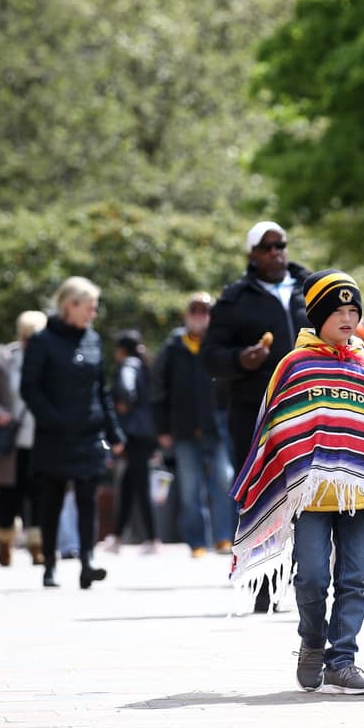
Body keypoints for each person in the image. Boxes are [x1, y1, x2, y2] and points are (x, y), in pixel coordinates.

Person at [230, 270, 364, 693]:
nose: (347, 319)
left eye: (353, 311)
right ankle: (312, 641)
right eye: (337, 311)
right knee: (311, 577)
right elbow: (275, 428)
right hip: (310, 497)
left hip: (362, 493)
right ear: (317, 316)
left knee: (353, 580)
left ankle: (342, 660)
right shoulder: (294, 365)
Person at [203, 220, 313, 611]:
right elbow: (211, 357)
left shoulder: (310, 288)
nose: (275, 252)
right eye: (266, 247)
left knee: (305, 492)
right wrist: (239, 359)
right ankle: (263, 580)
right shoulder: (234, 299)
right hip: (254, 410)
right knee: (260, 495)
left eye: (280, 244)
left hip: (306, 405)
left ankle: (303, 576)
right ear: (252, 253)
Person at [20, 277, 125, 589]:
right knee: (51, 500)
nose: (94, 313)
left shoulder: (93, 339)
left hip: (88, 433)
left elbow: (101, 390)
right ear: (70, 305)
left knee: (87, 498)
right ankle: (50, 565)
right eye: (89, 307)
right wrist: (52, 419)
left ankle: (88, 561)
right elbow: (30, 388)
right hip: (53, 435)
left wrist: (114, 432)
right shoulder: (42, 341)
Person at [152, 292, 238, 558]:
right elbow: (158, 389)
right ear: (187, 315)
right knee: (190, 489)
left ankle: (224, 538)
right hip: (184, 428)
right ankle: (197, 542)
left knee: (224, 482)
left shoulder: (220, 343)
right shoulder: (173, 347)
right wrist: (162, 429)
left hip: (218, 426)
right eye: (195, 310)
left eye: (205, 310)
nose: (200, 316)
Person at [0, 311, 48, 566]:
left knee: (40, 492)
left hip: (42, 437)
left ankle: (37, 545)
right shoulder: (5, 358)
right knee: (10, 492)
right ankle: (5, 540)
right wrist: (0, 414)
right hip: (13, 438)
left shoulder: (51, 359)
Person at [108, 330, 159, 553]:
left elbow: (127, 389)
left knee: (139, 484)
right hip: (147, 432)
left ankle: (153, 539)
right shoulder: (146, 365)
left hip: (135, 433)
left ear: (122, 350)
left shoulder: (129, 364)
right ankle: (118, 537)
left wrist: (123, 404)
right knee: (129, 485)